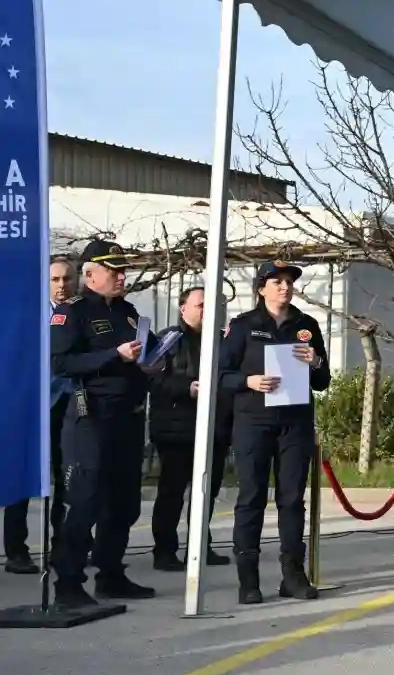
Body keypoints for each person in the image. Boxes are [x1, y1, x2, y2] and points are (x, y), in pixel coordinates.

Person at [49, 240, 156, 606]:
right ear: (91, 274)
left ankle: (111, 575)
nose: (121, 277)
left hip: (127, 418)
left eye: (123, 270)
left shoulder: (128, 313)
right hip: (91, 417)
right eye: (114, 271)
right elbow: (61, 363)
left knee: (123, 503)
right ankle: (68, 582)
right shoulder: (73, 312)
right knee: (85, 501)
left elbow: (148, 353)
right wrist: (113, 355)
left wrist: (156, 360)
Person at [219, 260, 331, 605]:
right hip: (253, 422)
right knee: (251, 498)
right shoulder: (244, 326)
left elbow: (323, 381)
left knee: (292, 499)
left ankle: (293, 575)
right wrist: (249, 381)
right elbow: (220, 375)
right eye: (276, 282)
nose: (284, 287)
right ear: (261, 289)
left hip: (294, 423)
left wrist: (315, 362)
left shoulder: (306, 325)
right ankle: (248, 579)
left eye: (288, 282)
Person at [147, 286, 231, 571]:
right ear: (183, 309)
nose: (208, 310)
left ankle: (200, 547)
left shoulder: (223, 341)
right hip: (176, 429)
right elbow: (152, 378)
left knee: (207, 492)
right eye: (201, 305)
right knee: (172, 493)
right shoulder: (169, 339)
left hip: (214, 429)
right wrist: (186, 388)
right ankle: (164, 550)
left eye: (213, 305)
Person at [4, 256, 77, 575]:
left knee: (68, 479)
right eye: (55, 279)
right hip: (33, 404)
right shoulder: (29, 316)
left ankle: (64, 546)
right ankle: (16, 550)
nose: (61, 285)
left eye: (67, 279)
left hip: (69, 403)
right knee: (24, 477)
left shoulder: (80, 314)